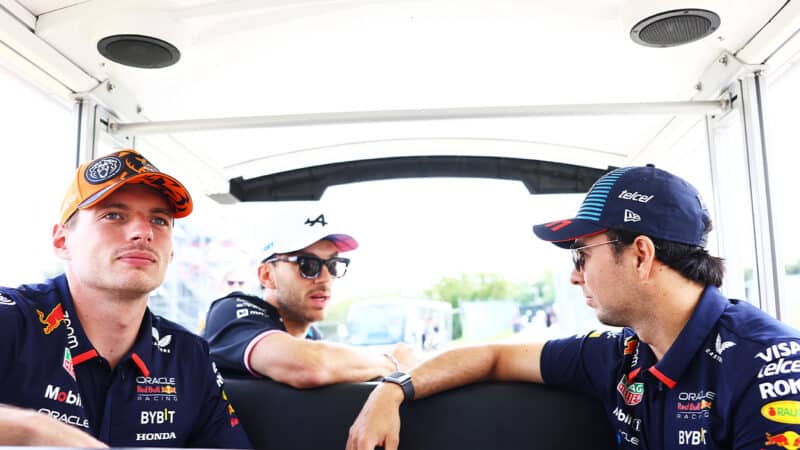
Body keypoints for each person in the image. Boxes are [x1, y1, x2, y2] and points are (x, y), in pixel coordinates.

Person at [346, 165, 800, 450]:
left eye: (581, 255)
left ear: (640, 255)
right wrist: (391, 389)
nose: (574, 274)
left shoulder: (769, 366)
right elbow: (494, 356)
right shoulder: (622, 354)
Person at [0, 149, 251, 448]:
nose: (143, 232)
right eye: (114, 215)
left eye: (159, 221)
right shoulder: (12, 319)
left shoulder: (188, 355)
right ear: (62, 241)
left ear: (171, 251)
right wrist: (33, 430)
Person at [202, 210, 417, 388]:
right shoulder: (231, 311)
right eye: (308, 265)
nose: (325, 278)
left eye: (333, 265)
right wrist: (391, 362)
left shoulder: (312, 336)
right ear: (267, 276)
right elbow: (311, 366)